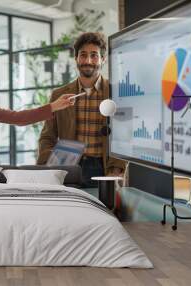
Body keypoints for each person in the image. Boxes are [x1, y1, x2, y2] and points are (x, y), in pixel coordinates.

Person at [37, 32, 125, 187]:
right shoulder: (59, 95)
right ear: (76, 58)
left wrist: (116, 170)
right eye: (83, 55)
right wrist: (49, 166)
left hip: (103, 167)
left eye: (94, 55)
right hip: (68, 166)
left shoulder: (116, 93)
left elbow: (124, 135)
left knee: (103, 210)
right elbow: (47, 136)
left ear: (103, 59)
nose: (88, 60)